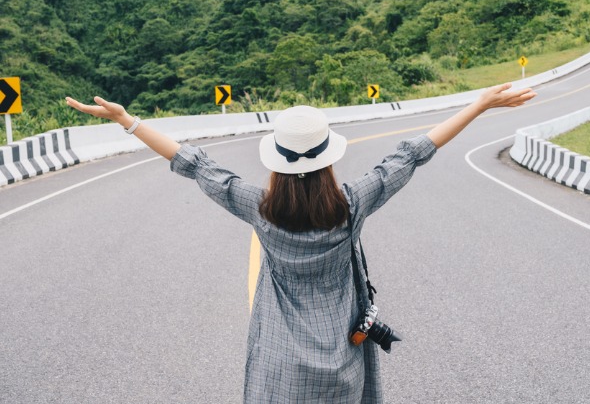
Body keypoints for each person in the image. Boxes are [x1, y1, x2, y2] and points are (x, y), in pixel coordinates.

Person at [65, 83, 535, 403]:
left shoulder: (259, 208)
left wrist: (127, 120)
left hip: (279, 373)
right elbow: (412, 154)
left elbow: (194, 163)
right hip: (343, 371)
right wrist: (480, 105)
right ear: (328, 160)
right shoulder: (352, 206)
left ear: (278, 163)